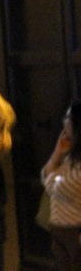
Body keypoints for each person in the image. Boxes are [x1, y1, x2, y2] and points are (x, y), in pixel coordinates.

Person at [41, 100, 81, 271]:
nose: (64, 121)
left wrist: (53, 177)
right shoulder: (70, 156)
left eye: (67, 117)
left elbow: (59, 187)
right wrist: (58, 152)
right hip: (60, 231)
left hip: (75, 232)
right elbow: (46, 176)